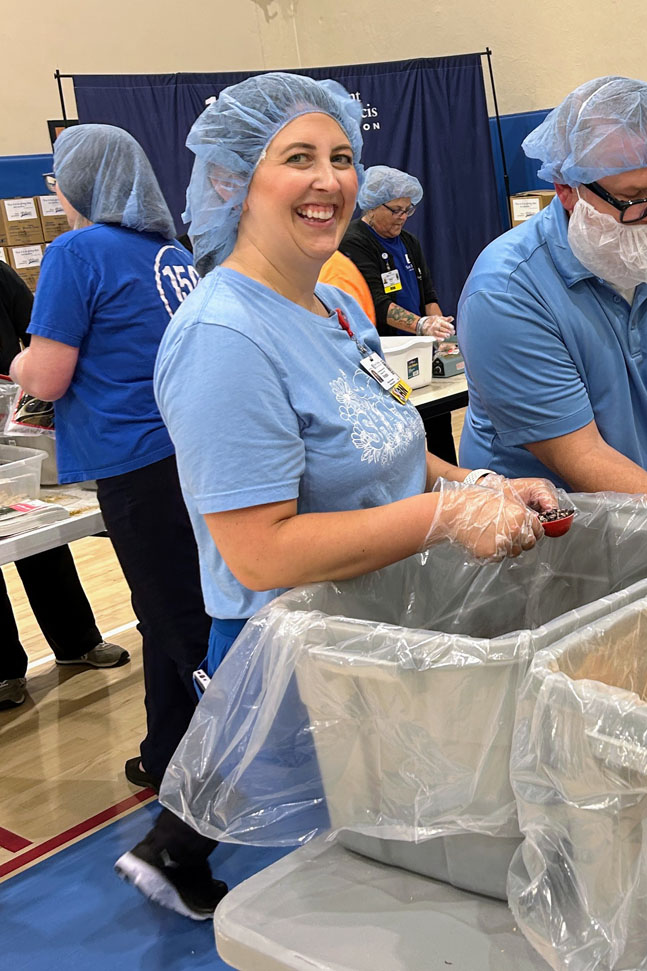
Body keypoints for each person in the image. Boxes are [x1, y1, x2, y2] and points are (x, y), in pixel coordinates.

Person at [150, 72, 554, 915]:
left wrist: (478, 482)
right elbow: (259, 551)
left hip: (381, 629)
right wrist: (445, 516)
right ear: (232, 181)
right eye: (297, 157)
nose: (329, 179)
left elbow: (389, 449)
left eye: (341, 156)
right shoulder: (224, 337)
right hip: (301, 660)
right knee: (355, 901)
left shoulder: (334, 306)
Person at [11, 123, 220, 918]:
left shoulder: (76, 252)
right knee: (168, 617)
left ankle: (184, 838)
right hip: (190, 451)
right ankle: (163, 755)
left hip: (135, 463)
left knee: (191, 636)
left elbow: (52, 371)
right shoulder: (170, 253)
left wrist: (24, 365)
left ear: (77, 184)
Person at [457, 76, 647, 505]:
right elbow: (582, 457)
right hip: (542, 541)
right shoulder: (508, 290)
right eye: (633, 197)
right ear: (568, 190)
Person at [0, 261, 127, 710]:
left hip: (9, 421)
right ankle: (3, 672)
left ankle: (76, 641)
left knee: (37, 535)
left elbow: (39, 336)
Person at [339, 166, 457, 462]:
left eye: (408, 211)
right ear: (374, 205)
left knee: (439, 420)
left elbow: (428, 295)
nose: (403, 217)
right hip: (384, 353)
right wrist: (421, 325)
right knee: (402, 431)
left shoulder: (409, 242)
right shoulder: (354, 241)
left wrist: (438, 331)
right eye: (396, 211)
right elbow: (377, 304)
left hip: (419, 350)